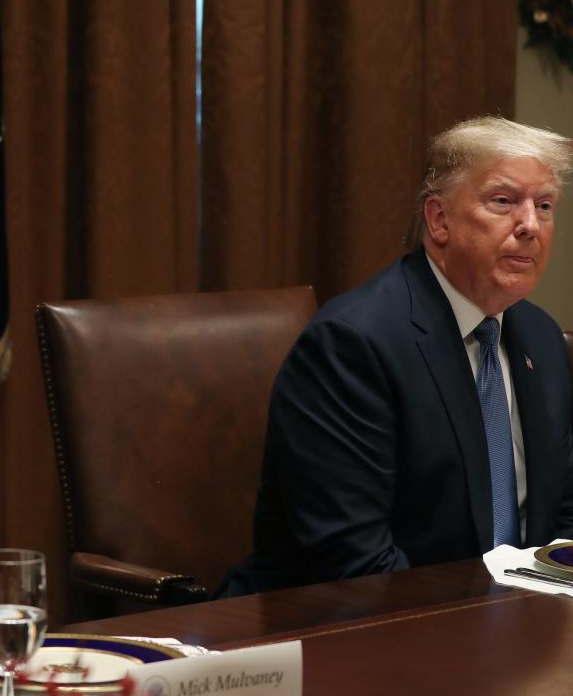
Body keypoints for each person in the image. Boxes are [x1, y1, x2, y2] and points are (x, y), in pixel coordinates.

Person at [218, 116, 573, 597]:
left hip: (519, 631)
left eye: (545, 206)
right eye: (504, 201)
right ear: (439, 219)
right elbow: (355, 562)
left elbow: (563, 512)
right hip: (360, 634)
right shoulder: (352, 346)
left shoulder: (542, 337)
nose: (530, 225)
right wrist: (489, 633)